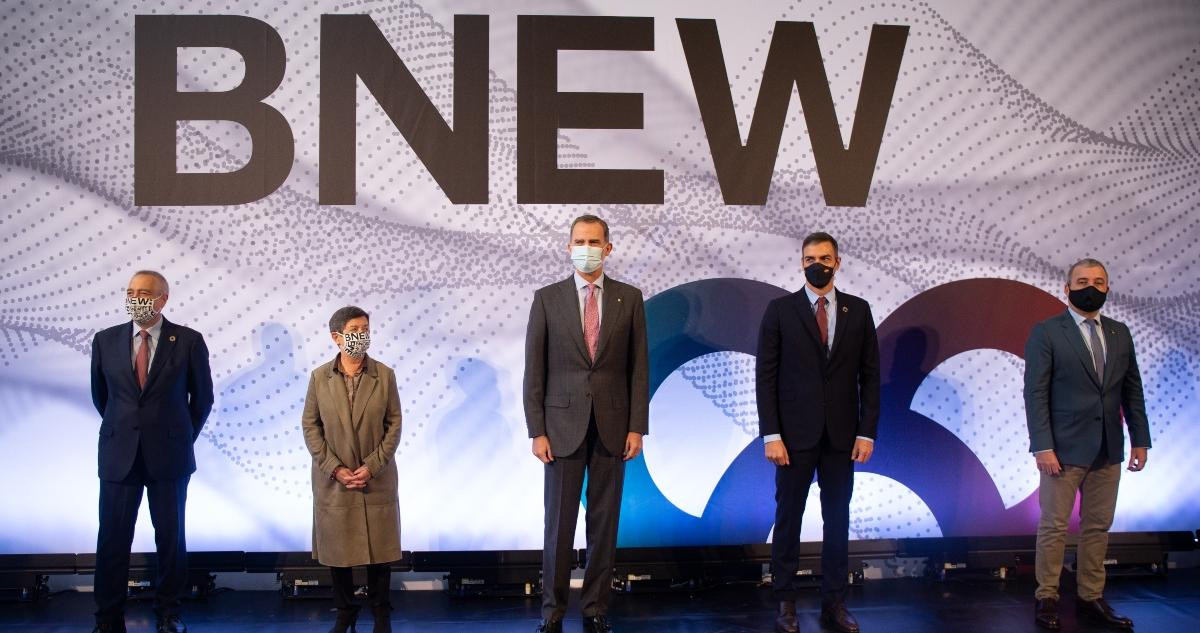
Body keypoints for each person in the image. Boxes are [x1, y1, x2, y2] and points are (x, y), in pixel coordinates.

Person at [523, 214, 650, 633]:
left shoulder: (629, 299)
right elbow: (534, 371)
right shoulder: (547, 298)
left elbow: (638, 369)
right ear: (568, 246)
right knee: (558, 527)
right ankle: (552, 612)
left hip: (613, 428)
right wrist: (536, 430)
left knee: (603, 524)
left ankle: (595, 610)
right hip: (560, 430)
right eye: (579, 240)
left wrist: (637, 426)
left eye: (594, 241)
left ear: (608, 248)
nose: (587, 247)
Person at [756, 233, 880, 633]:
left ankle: (834, 604)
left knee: (837, 521)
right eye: (810, 258)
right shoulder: (780, 310)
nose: (817, 264)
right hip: (792, 438)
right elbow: (766, 378)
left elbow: (871, 378)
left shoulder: (858, 311)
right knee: (788, 520)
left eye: (824, 258)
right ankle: (786, 603)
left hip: (843, 437)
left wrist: (867, 433)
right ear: (801, 262)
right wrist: (771, 434)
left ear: (837, 262)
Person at [1024, 258, 1151, 631]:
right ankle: (1047, 596)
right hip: (1062, 449)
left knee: (1098, 526)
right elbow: (1035, 393)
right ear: (1066, 288)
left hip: (1109, 446)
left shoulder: (1119, 332)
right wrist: (1042, 445)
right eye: (1082, 280)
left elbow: (1133, 390)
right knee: (1054, 526)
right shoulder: (1047, 332)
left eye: (1098, 281)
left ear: (1108, 288)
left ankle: (1090, 597)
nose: (1090, 286)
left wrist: (1140, 440)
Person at [90, 270, 213, 633]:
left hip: (169, 455)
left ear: (163, 299)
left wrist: (179, 436)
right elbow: (102, 396)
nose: (135, 297)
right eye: (130, 291)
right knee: (112, 537)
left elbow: (202, 399)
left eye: (143, 292)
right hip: (119, 455)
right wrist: (126, 430)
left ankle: (169, 613)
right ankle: (108, 617)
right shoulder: (106, 340)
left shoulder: (188, 340)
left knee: (171, 539)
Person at [301, 306, 404, 633]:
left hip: (376, 477)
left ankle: (381, 611)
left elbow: (395, 424)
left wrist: (372, 465)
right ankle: (345, 610)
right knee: (338, 549)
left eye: (365, 328)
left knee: (379, 550)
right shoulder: (319, 377)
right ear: (337, 337)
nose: (362, 335)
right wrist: (334, 467)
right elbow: (310, 426)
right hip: (334, 480)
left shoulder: (384, 375)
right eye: (355, 329)